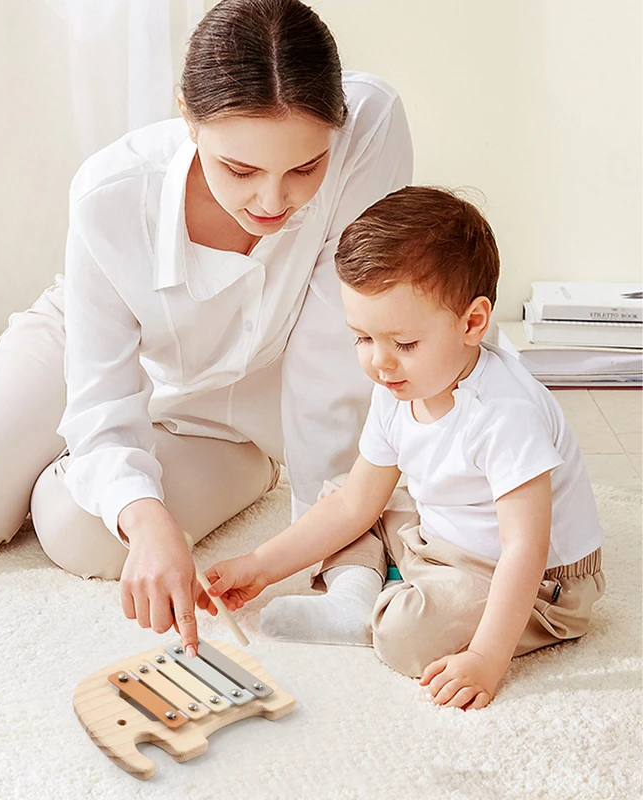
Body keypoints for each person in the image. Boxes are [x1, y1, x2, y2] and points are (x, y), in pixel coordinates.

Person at [0, 0, 412, 660]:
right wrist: (144, 514)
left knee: (76, 527)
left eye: (304, 170)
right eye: (241, 170)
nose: (272, 202)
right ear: (187, 117)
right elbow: (101, 396)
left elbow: (332, 359)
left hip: (237, 400)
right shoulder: (111, 193)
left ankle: (154, 470)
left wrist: (327, 535)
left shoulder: (369, 128)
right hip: (89, 345)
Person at [199, 186, 605, 709]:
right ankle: (355, 597)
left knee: (405, 637)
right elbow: (355, 505)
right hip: (442, 534)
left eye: (403, 343)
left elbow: (525, 548)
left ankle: (380, 594)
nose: (379, 363)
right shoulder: (397, 385)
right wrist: (258, 565)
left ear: (473, 323)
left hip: (535, 580)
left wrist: (485, 657)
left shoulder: (505, 414)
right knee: (343, 493)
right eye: (362, 339)